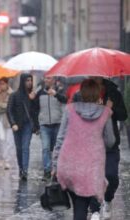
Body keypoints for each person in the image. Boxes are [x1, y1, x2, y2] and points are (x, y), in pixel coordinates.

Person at [52, 79, 115, 220]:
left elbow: (60, 138)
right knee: (83, 204)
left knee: (78, 205)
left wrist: (55, 164)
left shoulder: (69, 109)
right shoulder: (105, 113)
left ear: (82, 92)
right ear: (98, 93)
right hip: (91, 168)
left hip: (69, 165)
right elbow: (110, 141)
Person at [73, 78, 128, 219]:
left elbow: (123, 115)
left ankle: (108, 199)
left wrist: (110, 109)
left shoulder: (113, 92)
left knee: (112, 176)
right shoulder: (80, 94)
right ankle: (95, 210)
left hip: (110, 143)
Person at [6, 73, 39, 180]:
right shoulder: (14, 95)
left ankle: (25, 170)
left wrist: (33, 100)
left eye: (30, 80)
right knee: (19, 148)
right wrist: (13, 123)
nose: (29, 82)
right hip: (17, 126)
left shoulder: (33, 95)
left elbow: (36, 111)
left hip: (28, 125)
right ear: (22, 81)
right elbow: (9, 110)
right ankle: (21, 168)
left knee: (25, 147)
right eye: (27, 80)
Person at [35, 76, 67, 180]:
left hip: (57, 124)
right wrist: (36, 124)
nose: (46, 80)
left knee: (56, 149)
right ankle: (47, 171)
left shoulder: (60, 91)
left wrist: (56, 94)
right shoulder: (39, 92)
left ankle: (56, 171)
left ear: (53, 80)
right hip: (44, 125)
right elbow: (34, 107)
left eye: (49, 78)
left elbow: (66, 100)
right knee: (45, 148)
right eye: (45, 78)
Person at [0, 78, 14, 170]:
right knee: (1, 139)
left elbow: (10, 107)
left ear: (7, 84)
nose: (1, 85)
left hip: (8, 120)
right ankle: (1, 157)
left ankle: (7, 160)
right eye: (0, 83)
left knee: (9, 140)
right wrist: (2, 105)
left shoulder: (12, 94)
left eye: (3, 83)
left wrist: (1, 105)